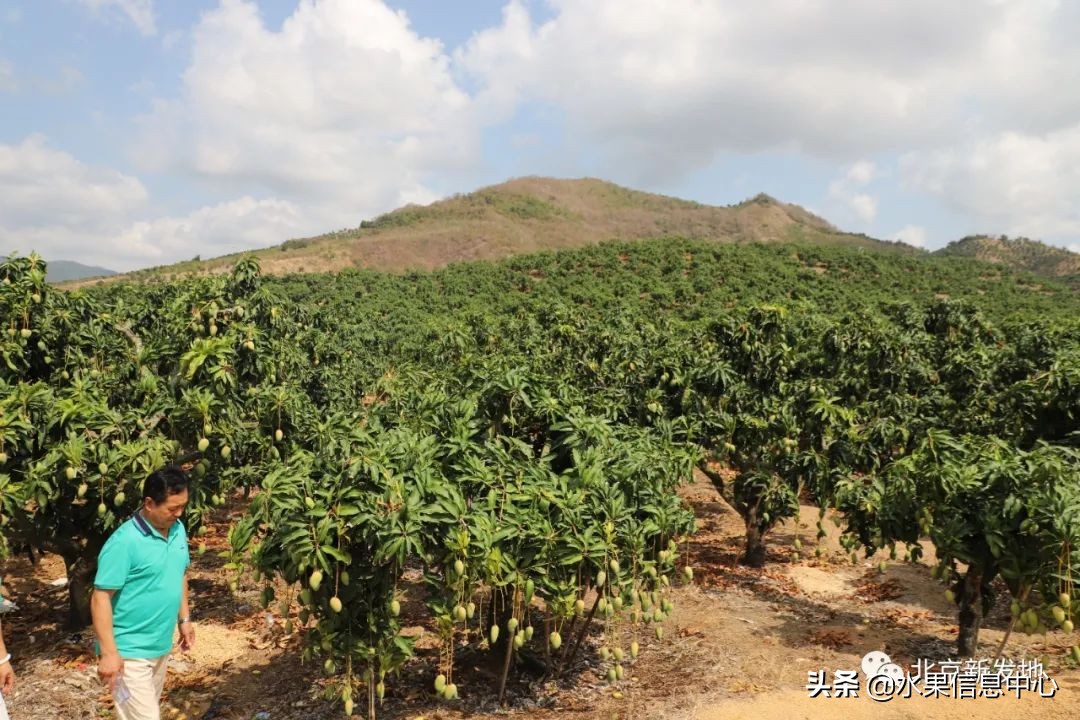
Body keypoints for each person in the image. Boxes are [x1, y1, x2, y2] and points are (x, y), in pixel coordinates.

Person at [91, 465, 194, 720]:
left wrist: (184, 619)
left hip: (159, 646)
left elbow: (179, 573)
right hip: (129, 652)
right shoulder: (124, 543)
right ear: (149, 503)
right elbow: (100, 598)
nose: (179, 514)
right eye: (172, 508)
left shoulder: (178, 529)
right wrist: (109, 653)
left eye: (183, 506)